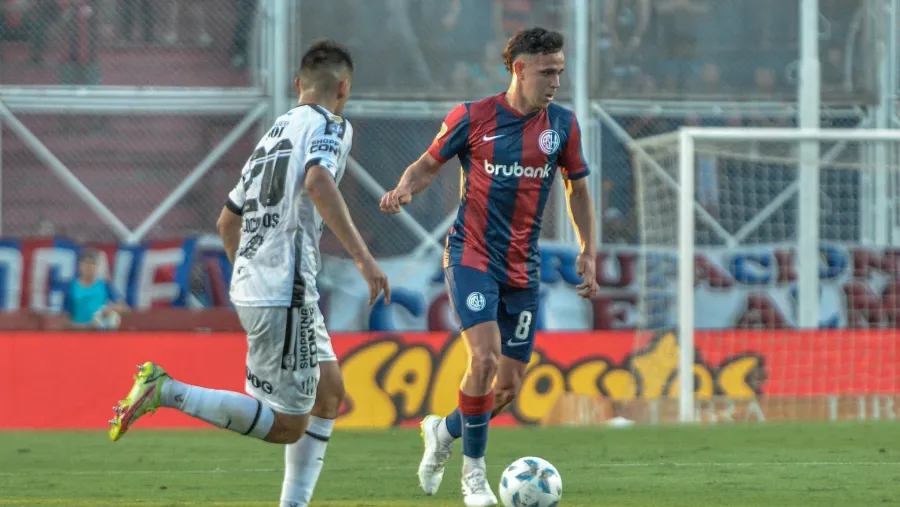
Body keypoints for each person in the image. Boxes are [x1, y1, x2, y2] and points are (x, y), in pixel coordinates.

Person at [108, 40, 391, 507]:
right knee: (286, 425)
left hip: (265, 282)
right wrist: (363, 258)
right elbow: (318, 181)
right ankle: (167, 391)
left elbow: (227, 221)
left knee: (329, 393)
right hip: (285, 287)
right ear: (344, 88)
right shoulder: (331, 125)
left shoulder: (273, 135)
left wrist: (253, 275)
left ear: (297, 85)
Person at [380, 27, 600, 507]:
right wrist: (404, 189)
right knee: (482, 359)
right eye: (547, 72)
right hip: (472, 255)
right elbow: (425, 165)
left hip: (524, 267)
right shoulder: (474, 116)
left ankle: (442, 430)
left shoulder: (561, 125)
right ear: (519, 69)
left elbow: (577, 190)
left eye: (560, 71)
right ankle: (473, 477)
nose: (555, 81)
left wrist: (587, 249)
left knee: (506, 389)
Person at [63, 248, 129, 329]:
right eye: (86, 263)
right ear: (80, 266)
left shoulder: (105, 285)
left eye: (93, 264)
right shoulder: (72, 288)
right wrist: (87, 327)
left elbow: (125, 309)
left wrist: (111, 308)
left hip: (101, 335)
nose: (89, 267)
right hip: (79, 333)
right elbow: (65, 319)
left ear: (97, 266)